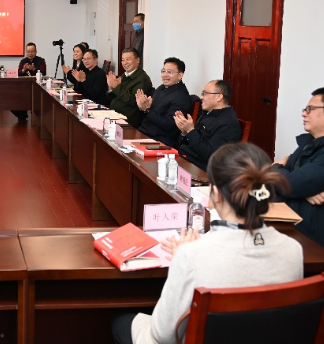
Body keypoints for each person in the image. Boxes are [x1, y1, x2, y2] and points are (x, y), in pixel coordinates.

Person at [111, 142, 303, 344]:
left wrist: (184, 259)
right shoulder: (293, 250)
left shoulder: (192, 256)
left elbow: (162, 334)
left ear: (216, 195)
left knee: (122, 322)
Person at [273, 86, 324, 257]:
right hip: (296, 224)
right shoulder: (312, 141)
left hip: (317, 242)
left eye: (310, 109)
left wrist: (276, 168)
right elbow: (293, 181)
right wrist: (303, 190)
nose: (304, 114)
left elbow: (291, 184)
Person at [175, 80, 242, 170]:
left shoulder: (228, 123)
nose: (201, 97)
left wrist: (190, 131)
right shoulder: (208, 113)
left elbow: (211, 155)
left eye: (205, 93)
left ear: (219, 97)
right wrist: (185, 132)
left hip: (201, 168)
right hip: (187, 157)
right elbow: (191, 142)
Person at [136, 57, 190, 148]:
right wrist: (142, 107)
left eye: (169, 72)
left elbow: (168, 124)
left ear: (180, 75)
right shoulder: (162, 88)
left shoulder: (182, 97)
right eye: (163, 71)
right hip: (144, 131)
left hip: (160, 140)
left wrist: (147, 110)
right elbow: (149, 113)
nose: (165, 75)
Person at [106, 48, 152, 128]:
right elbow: (113, 97)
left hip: (127, 119)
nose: (125, 63)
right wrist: (111, 88)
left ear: (137, 60)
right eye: (123, 60)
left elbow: (133, 101)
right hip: (114, 114)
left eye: (128, 59)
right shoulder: (125, 74)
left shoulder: (142, 78)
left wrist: (117, 87)